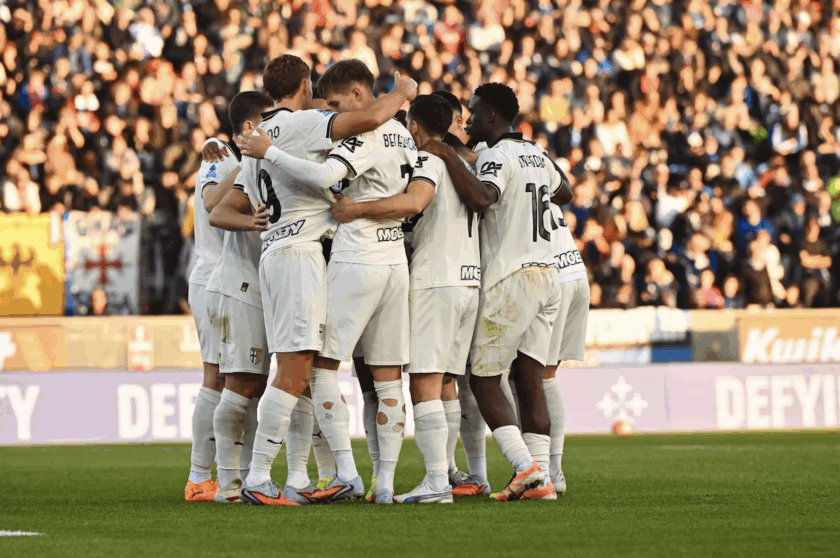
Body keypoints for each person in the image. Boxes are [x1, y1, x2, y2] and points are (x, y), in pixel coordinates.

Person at [220, 54, 417, 507]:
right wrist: (403, 92)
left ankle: (325, 475)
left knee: (301, 368)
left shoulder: (254, 140)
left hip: (276, 253)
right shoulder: (303, 122)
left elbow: (242, 204)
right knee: (296, 370)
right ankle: (258, 478)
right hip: (301, 256)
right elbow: (369, 116)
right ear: (305, 84)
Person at [330, 95, 481, 504]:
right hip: (469, 279)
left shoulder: (430, 161)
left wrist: (356, 209)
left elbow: (414, 202)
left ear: (414, 127)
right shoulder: (463, 163)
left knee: (425, 383)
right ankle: (448, 474)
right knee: (445, 383)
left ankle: (436, 481)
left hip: (436, 279)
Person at [422, 83, 560, 501]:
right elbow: (563, 190)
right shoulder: (536, 152)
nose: (468, 119)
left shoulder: (497, 156)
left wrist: (446, 152)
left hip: (512, 275)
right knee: (529, 377)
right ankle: (544, 481)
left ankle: (527, 470)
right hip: (548, 272)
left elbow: (483, 197)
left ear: (491, 117)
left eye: (475, 111)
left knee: (483, 379)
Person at [198, 90, 274, 503]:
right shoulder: (220, 158)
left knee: (254, 384)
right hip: (228, 281)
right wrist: (246, 160)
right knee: (234, 382)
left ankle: (244, 480)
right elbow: (213, 205)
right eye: (270, 118)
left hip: (251, 282)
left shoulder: (262, 158)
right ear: (249, 126)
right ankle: (219, 481)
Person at [433, 88, 488, 496]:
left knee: (453, 380)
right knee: (454, 380)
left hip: (455, 280)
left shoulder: (469, 160)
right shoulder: (464, 161)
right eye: (456, 121)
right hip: (466, 279)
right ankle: (460, 472)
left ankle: (462, 473)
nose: (464, 127)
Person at [183, 110, 238, 502]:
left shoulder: (222, 155)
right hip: (215, 280)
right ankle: (200, 477)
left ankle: (225, 474)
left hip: (228, 280)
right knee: (217, 377)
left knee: (232, 377)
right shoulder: (222, 160)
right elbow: (209, 203)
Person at [542, 169, 587, 496]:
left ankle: (546, 469)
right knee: (546, 376)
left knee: (535, 377)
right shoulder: (538, 160)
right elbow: (566, 190)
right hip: (575, 270)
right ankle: (551, 467)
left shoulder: (497, 160)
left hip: (552, 276)